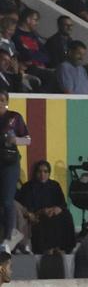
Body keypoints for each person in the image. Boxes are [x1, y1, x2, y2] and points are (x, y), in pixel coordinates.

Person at [0, 90, 31, 249]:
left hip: (9, 162)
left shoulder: (14, 117)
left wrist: (15, 139)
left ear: (6, 101)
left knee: (7, 199)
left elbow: (28, 139)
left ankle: (10, 234)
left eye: (2, 99)